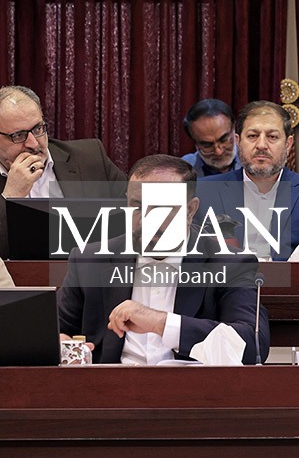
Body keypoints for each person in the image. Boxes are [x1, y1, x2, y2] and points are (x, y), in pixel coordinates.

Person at [56, 154, 269, 365]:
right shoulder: (90, 261)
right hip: (111, 384)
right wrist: (58, 344)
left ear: (190, 210)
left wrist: (161, 323)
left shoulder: (229, 264)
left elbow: (251, 345)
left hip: (192, 385)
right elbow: (55, 330)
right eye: (138, 206)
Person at [198, 100, 299, 259]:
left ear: (288, 144)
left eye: (272, 137)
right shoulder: (203, 192)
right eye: (252, 136)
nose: (261, 145)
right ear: (238, 141)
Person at [0, 84, 128, 258]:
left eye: (38, 129)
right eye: (19, 135)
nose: (34, 143)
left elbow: (138, 211)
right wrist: (10, 197)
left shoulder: (89, 158)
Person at [180, 98, 241, 178]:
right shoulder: (182, 171)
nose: (218, 152)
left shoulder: (253, 161)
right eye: (207, 145)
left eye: (223, 140)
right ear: (195, 143)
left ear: (234, 129)